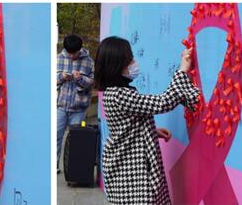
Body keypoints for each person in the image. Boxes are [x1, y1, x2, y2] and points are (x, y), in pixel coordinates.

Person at [94, 36, 200, 205]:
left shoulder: (111, 92)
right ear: (117, 65)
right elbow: (164, 102)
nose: (134, 63)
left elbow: (125, 125)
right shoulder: (120, 95)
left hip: (125, 166)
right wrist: (182, 70)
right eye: (129, 59)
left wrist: (151, 131)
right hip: (131, 171)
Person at [56, 34, 94, 173]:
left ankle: (72, 170)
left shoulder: (89, 61)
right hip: (60, 106)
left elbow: (92, 82)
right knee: (55, 137)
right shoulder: (58, 58)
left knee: (75, 140)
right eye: (69, 53)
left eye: (75, 53)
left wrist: (80, 79)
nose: (72, 56)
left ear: (80, 49)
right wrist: (61, 77)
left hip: (79, 108)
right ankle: (54, 166)